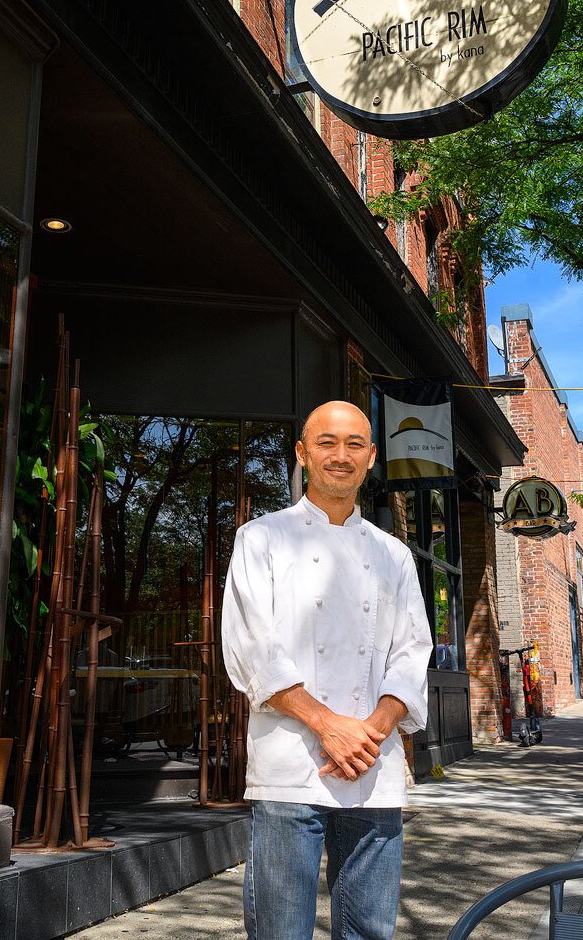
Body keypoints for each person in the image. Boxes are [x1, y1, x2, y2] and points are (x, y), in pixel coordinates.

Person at [222, 400, 431, 940]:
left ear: (371, 458)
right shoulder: (260, 538)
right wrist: (329, 726)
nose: (341, 456)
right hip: (291, 767)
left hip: (372, 769)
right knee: (280, 931)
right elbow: (253, 649)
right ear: (302, 453)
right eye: (327, 443)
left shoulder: (394, 555)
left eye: (354, 444)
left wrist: (372, 731)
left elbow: (412, 652)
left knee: (369, 931)